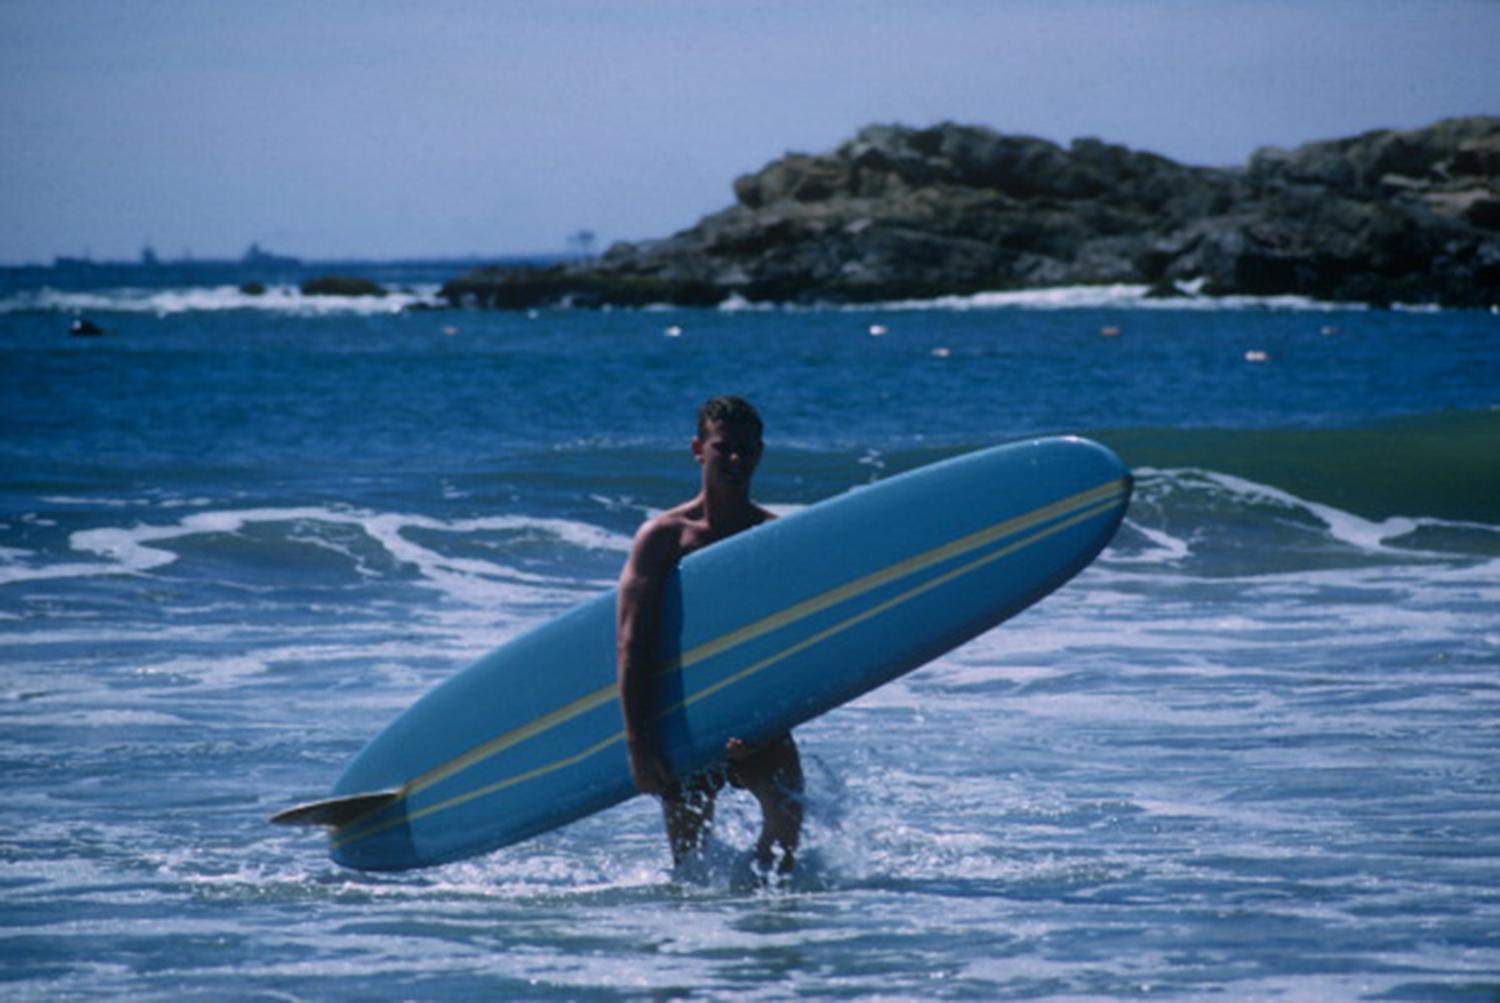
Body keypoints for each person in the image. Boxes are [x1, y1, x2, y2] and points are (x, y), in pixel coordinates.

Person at [616, 396, 804, 873]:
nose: (736, 460)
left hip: (755, 717)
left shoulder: (772, 538)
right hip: (682, 718)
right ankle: (699, 944)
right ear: (699, 450)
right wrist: (641, 744)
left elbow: (786, 646)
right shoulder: (663, 538)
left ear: (760, 452)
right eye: (724, 449)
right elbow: (632, 643)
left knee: (786, 848)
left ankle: (771, 934)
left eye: (746, 450)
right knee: (690, 869)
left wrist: (767, 723)